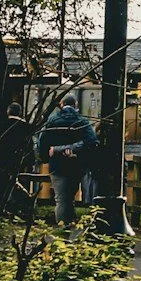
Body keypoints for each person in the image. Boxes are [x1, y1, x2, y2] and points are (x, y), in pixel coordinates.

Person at [35, 93, 96, 228]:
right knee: (70, 197)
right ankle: (70, 225)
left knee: (61, 199)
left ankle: (64, 230)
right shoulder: (82, 121)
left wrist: (48, 155)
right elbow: (92, 141)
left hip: (57, 165)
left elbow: (42, 141)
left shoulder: (52, 120)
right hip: (76, 163)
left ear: (61, 105)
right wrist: (74, 149)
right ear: (75, 106)